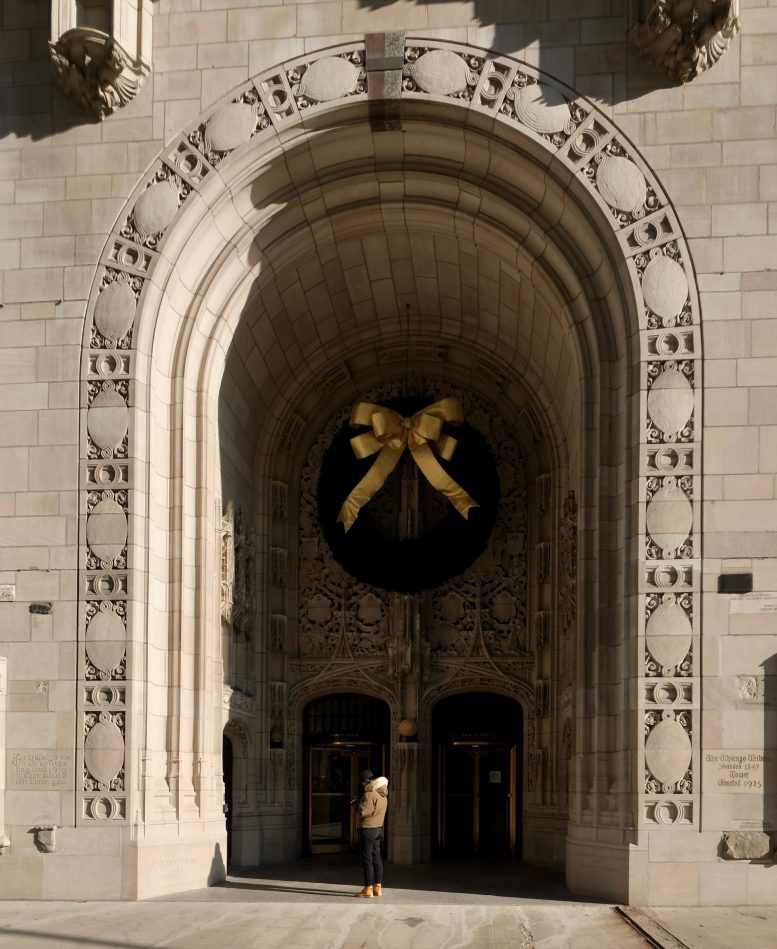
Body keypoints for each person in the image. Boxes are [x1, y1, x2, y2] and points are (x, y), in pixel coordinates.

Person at [352, 769, 388, 898]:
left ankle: (368, 889)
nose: (362, 784)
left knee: (367, 860)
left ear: (367, 781)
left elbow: (364, 812)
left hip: (367, 830)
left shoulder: (369, 794)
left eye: (362, 781)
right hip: (378, 830)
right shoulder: (383, 795)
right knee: (377, 859)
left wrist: (357, 804)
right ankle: (377, 887)